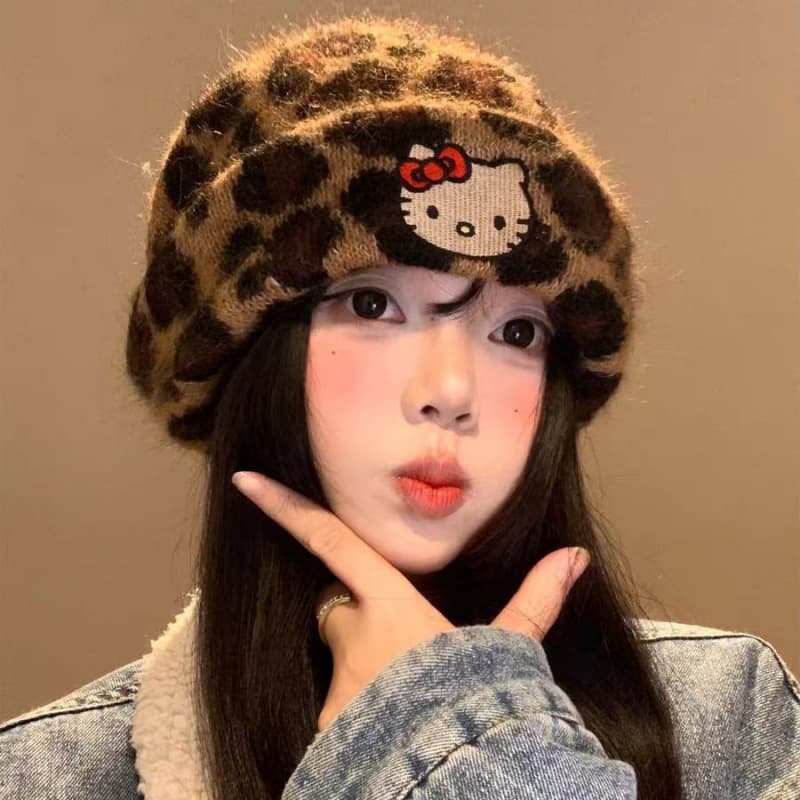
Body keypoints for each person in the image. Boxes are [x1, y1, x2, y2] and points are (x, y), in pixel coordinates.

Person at [1, 12, 797, 800]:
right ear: (247, 357)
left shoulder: (733, 719)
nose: (450, 393)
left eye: (518, 331)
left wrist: (455, 739)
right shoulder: (47, 777)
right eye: (373, 305)